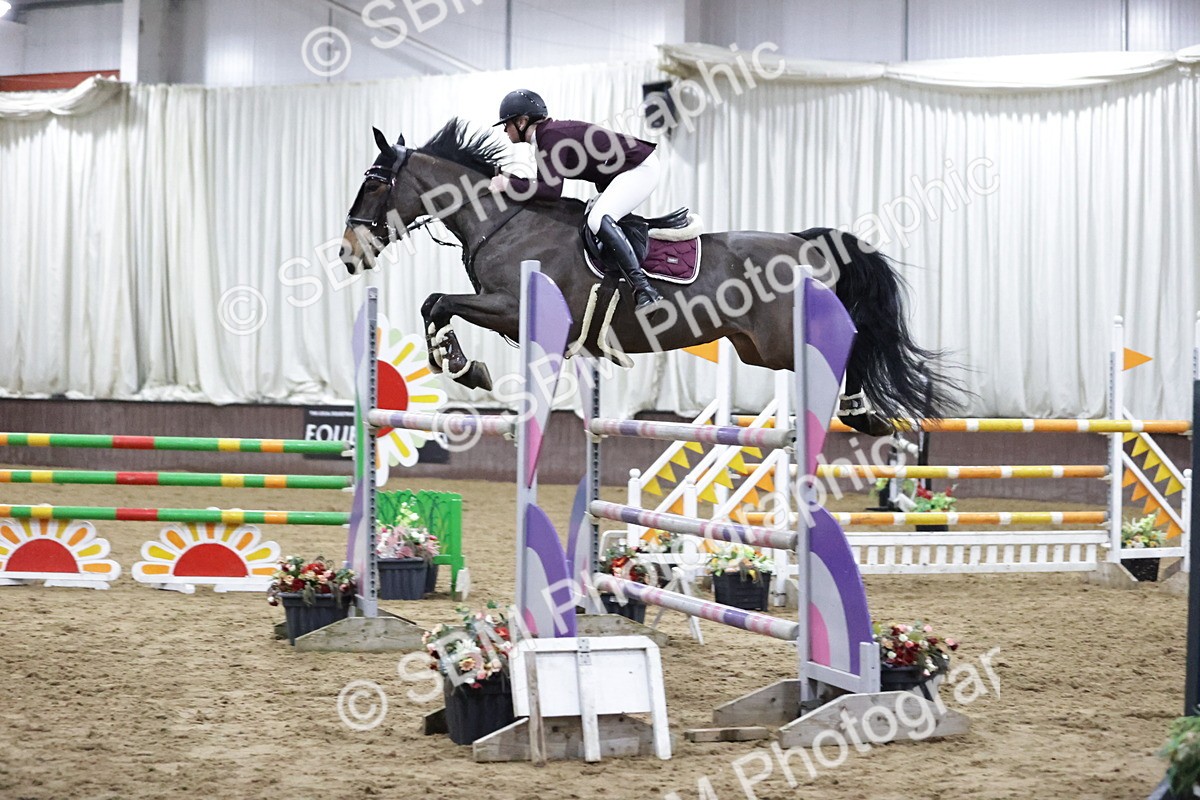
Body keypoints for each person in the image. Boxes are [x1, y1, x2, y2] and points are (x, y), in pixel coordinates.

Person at [488, 89, 664, 313]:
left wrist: (507, 185)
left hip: (640, 168)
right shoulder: (546, 136)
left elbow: (551, 191)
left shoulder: (549, 137)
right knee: (593, 216)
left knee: (598, 219)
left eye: (507, 123)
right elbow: (544, 184)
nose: (505, 129)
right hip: (625, 171)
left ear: (522, 122)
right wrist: (510, 180)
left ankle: (644, 289)